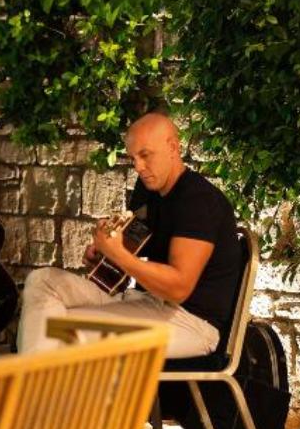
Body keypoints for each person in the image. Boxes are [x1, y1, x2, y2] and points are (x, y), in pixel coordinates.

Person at [17, 113, 241, 359]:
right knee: (42, 282)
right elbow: (130, 252)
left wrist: (119, 255)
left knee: (57, 329)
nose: (138, 167)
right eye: (133, 158)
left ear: (173, 148)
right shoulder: (148, 188)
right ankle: (36, 376)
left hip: (191, 322)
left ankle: (29, 380)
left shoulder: (199, 201)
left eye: (145, 155)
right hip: (145, 301)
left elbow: (178, 288)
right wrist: (105, 255)